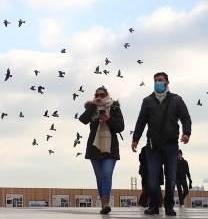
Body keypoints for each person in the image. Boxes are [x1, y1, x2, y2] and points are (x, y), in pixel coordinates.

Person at [131, 72, 192, 216]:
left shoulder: (176, 100)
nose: (158, 83)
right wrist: (135, 139)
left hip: (171, 145)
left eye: (160, 80)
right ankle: (153, 205)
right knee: (152, 176)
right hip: (153, 145)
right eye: (155, 80)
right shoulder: (147, 101)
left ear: (167, 82)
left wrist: (186, 133)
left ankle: (169, 206)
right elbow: (141, 121)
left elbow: (185, 117)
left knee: (170, 177)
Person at [78, 86, 125, 214]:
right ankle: (104, 204)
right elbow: (83, 120)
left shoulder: (114, 108)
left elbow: (120, 127)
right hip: (94, 148)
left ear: (107, 95)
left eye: (102, 95)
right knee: (99, 177)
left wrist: (109, 119)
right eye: (97, 95)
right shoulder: (91, 108)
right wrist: (93, 106)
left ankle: (105, 203)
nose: (99, 97)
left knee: (106, 174)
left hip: (110, 148)